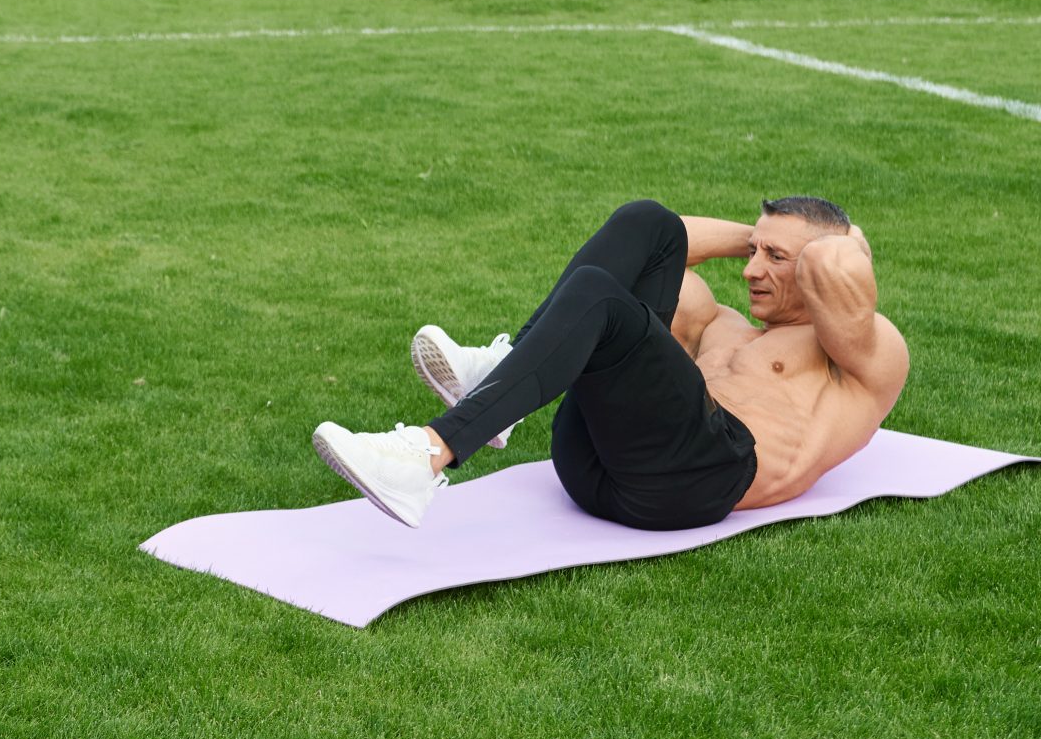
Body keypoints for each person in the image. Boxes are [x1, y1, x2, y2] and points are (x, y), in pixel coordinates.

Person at [313, 197, 906, 530]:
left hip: (698, 482)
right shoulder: (719, 324)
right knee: (647, 222)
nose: (751, 270)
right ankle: (502, 377)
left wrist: (840, 234)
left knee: (599, 294)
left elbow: (836, 268)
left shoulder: (856, 356)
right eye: (753, 254)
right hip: (598, 467)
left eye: (774, 259)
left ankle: (429, 455)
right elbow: (669, 239)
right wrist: (762, 235)